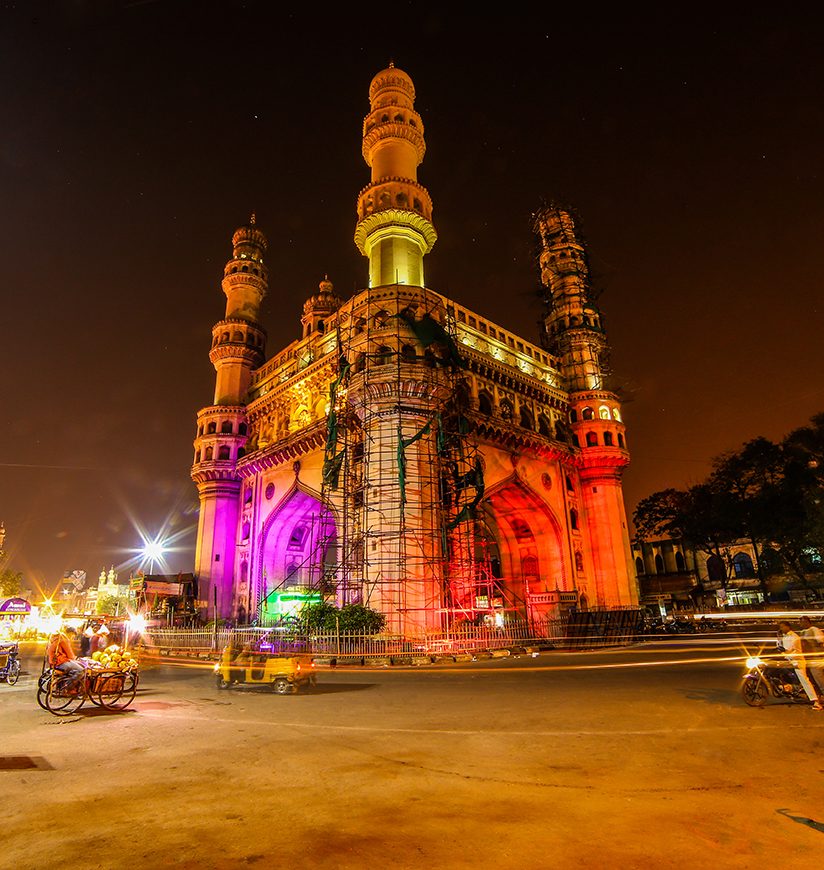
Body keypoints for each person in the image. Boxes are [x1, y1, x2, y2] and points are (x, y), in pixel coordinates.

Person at [777, 621, 822, 711]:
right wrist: (778, 639)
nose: (781, 629)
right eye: (780, 627)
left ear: (788, 627)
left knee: (805, 681)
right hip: (789, 661)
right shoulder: (784, 637)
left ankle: (816, 702)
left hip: (797, 661)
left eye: (782, 627)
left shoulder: (794, 637)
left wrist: (784, 650)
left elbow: (791, 650)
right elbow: (780, 647)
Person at [799, 615, 824, 698]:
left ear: (808, 622)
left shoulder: (814, 630)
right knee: (813, 679)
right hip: (808, 659)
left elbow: (821, 643)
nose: (802, 624)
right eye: (801, 622)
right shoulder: (802, 632)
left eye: (803, 622)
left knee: (819, 679)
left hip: (816, 658)